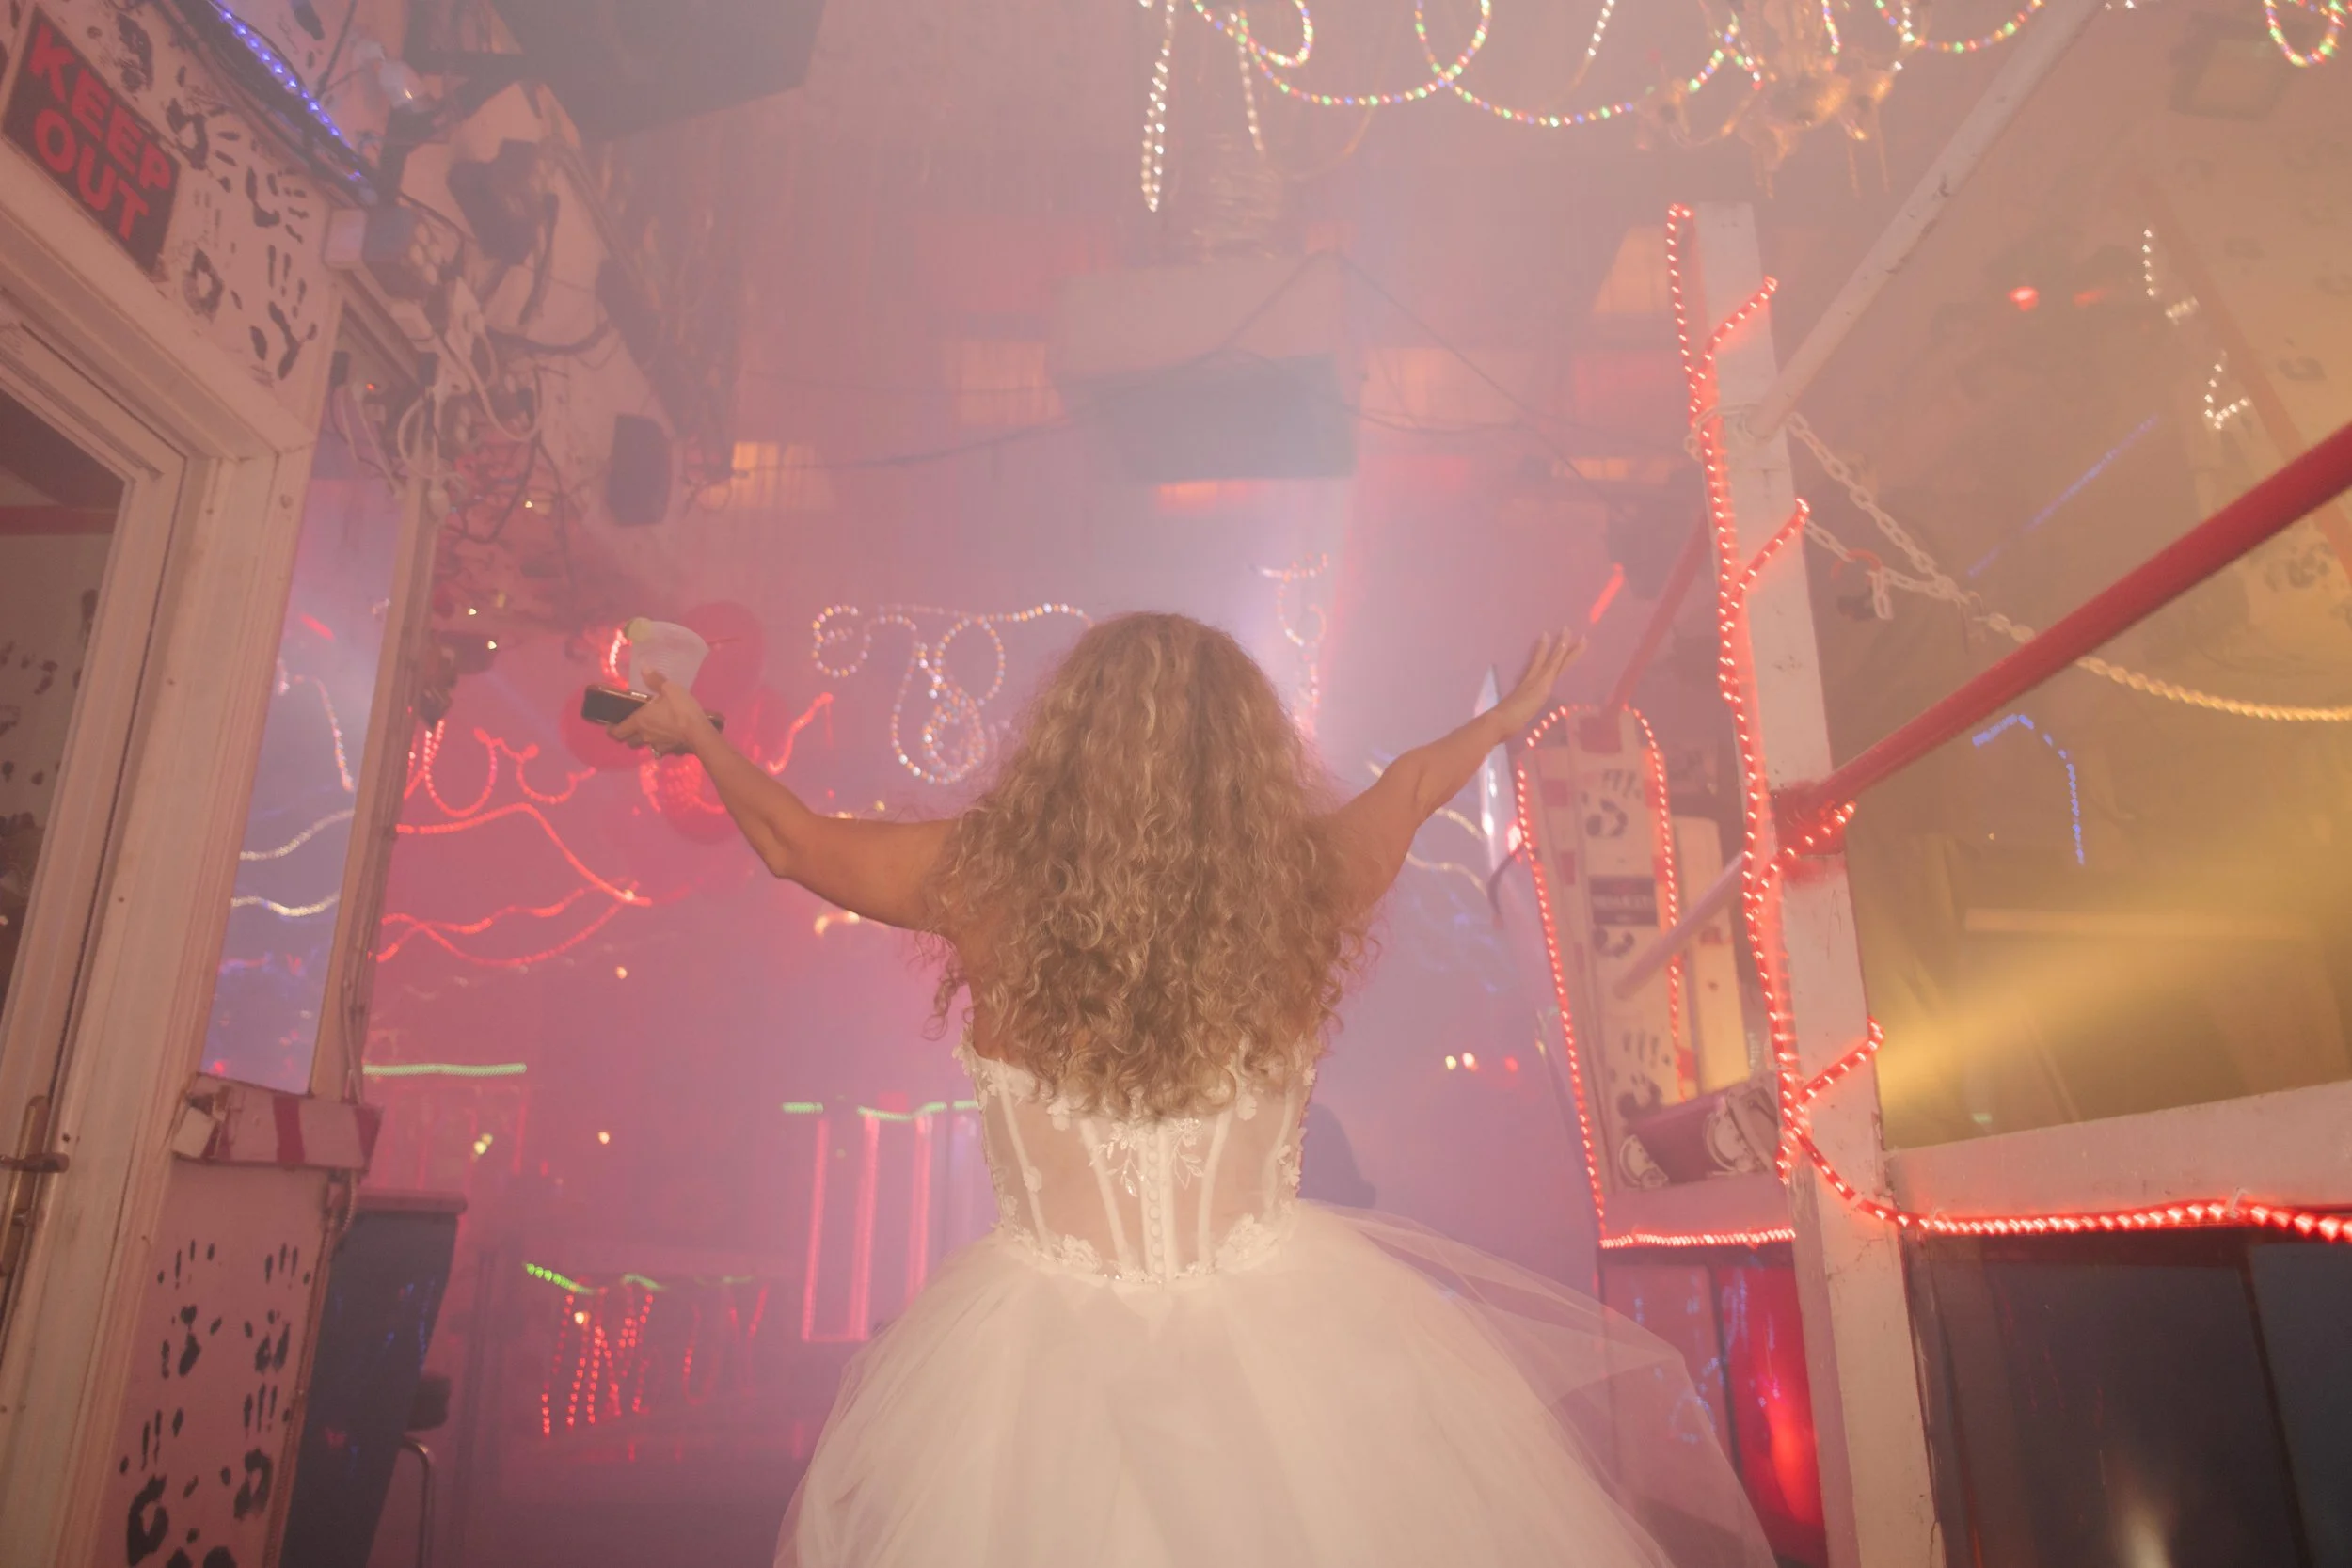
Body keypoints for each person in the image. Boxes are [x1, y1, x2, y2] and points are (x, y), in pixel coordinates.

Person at [612, 614, 1770, 1568]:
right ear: (1241, 757)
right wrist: (1505, 721)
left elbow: (795, 843)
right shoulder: (1304, 883)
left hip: (1027, 1363)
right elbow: (1413, 784)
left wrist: (698, 740)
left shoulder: (982, 880)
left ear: (1069, 746)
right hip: (1294, 1341)